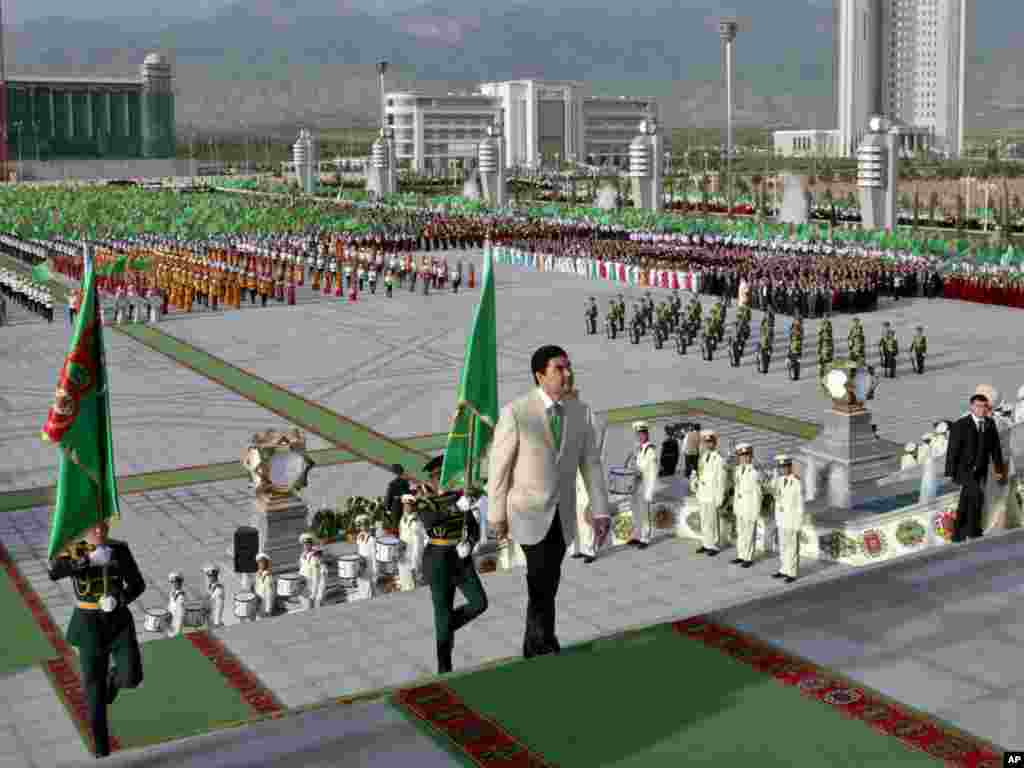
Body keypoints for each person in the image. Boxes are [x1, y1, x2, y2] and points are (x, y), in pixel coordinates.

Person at [488, 345, 610, 658]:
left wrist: (600, 510)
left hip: (563, 513)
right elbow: (499, 469)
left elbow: (591, 464)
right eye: (559, 368)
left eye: (568, 367)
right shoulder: (516, 412)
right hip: (528, 512)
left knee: (549, 577)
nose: (567, 373)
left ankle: (538, 641)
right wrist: (496, 515)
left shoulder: (580, 412)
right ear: (540, 375)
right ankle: (542, 643)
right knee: (540, 576)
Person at [47, 520, 145, 758]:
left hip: (119, 623)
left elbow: (138, 584)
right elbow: (54, 572)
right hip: (89, 625)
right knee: (93, 692)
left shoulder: (119, 549)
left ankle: (111, 684)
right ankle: (101, 750)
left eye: (103, 527)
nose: (100, 531)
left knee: (131, 676)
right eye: (93, 528)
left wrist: (119, 597)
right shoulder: (76, 549)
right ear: (83, 529)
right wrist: (85, 558)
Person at [416, 453, 487, 674]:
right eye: (438, 478)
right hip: (438, 559)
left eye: (445, 477)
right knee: (442, 610)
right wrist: (457, 507)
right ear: (434, 478)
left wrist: (471, 542)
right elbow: (429, 522)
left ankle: (445, 628)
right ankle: (444, 667)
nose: (441, 482)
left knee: (479, 603)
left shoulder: (460, 496)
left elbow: (473, 526)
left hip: (460, 557)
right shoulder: (425, 498)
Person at [945, 388, 1006, 542]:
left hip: (981, 469)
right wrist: (950, 472)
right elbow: (953, 449)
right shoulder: (960, 425)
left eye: (984, 406)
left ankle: (958, 534)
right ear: (971, 407)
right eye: (978, 406)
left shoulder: (990, 423)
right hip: (963, 470)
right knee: (976, 495)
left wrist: (999, 469)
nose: (981, 409)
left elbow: (995, 448)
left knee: (966, 501)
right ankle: (974, 531)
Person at [694, 430, 726, 556]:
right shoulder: (702, 457)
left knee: (713, 521)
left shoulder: (719, 459)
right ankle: (706, 543)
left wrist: (719, 497)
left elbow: (721, 480)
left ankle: (714, 545)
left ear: (715, 443)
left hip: (713, 494)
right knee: (704, 520)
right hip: (703, 494)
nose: (708, 444)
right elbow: (701, 474)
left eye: (711, 442)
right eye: (706, 442)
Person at [772, 456, 804, 583]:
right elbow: (774, 493)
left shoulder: (796, 482)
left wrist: (798, 523)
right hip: (781, 519)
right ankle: (784, 569)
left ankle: (792, 572)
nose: (783, 469)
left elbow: (800, 504)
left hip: (791, 519)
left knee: (792, 547)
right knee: (783, 546)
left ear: (790, 467)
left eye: (785, 467)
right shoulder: (779, 481)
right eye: (781, 467)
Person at [731, 443, 762, 568]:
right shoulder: (738, 470)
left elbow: (758, 493)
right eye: (742, 456)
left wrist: (756, 510)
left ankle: (748, 558)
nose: (744, 458)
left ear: (751, 456)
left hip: (750, 506)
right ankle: (741, 555)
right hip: (740, 506)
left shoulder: (755, 472)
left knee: (749, 533)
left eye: (747, 456)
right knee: (741, 532)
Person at [629, 421, 658, 548]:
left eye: (643, 434)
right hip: (635, 486)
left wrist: (649, 492)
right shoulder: (638, 449)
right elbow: (632, 465)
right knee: (635, 511)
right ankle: (636, 535)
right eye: (638, 434)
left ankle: (645, 538)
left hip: (644, 486)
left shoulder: (650, 451)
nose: (640, 436)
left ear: (647, 434)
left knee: (644, 513)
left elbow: (652, 473)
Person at [202, 564, 225, 629]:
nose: (208, 578)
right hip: (212, 619)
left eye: (209, 576)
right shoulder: (211, 586)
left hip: (215, 620)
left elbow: (215, 605)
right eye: (208, 576)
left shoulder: (218, 587)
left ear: (215, 576)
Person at [167, 572, 186, 637]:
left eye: (174, 582)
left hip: (177, 620)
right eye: (171, 582)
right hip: (171, 617)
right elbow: (170, 604)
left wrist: (177, 624)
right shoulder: (172, 593)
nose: (172, 584)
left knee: (175, 635)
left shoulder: (180, 596)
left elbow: (181, 612)